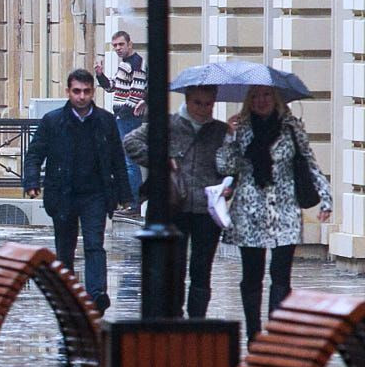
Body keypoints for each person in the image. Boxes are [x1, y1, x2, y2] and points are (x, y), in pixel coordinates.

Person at [218, 85, 331, 334]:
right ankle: (253, 333)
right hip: (249, 209)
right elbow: (226, 166)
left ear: (276, 98)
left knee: (281, 275)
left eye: (267, 95)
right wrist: (228, 136)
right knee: (252, 275)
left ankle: (276, 331)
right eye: (255, 96)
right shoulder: (241, 129)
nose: (261, 100)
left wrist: (326, 197)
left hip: (284, 208)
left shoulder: (291, 127)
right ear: (249, 101)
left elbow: (310, 163)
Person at [21, 69, 131, 311]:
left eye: (86, 92)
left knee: (94, 243)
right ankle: (67, 295)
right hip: (63, 193)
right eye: (77, 91)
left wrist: (124, 194)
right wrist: (31, 182)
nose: (81, 97)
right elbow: (35, 154)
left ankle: (96, 294)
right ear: (68, 92)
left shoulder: (105, 121)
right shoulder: (53, 121)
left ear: (93, 92)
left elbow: (117, 158)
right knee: (65, 248)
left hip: (95, 193)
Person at [121, 84, 229, 318]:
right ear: (188, 101)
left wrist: (234, 142)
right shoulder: (169, 124)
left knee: (202, 270)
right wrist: (160, 160)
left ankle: (198, 320)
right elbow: (130, 142)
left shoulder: (221, 131)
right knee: (175, 268)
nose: (203, 109)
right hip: (174, 207)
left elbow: (232, 167)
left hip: (206, 209)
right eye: (198, 103)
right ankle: (176, 317)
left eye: (208, 103)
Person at [96, 30, 147, 203]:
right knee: (126, 161)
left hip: (129, 118)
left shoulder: (137, 62)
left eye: (121, 44)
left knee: (130, 161)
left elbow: (136, 92)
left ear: (129, 44)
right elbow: (113, 87)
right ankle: (130, 201)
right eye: (115, 45)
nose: (118, 48)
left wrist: (121, 114)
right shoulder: (125, 63)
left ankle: (134, 202)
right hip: (122, 117)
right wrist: (100, 75)